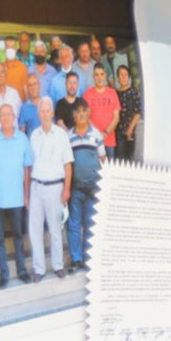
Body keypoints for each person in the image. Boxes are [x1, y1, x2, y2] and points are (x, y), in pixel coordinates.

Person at [0, 105, 34, 288]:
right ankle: (4, 273)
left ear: (13, 117)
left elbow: (28, 169)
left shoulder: (22, 139)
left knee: (18, 236)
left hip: (17, 197)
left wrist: (27, 196)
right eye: (2, 115)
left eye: (8, 114)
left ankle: (21, 270)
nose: (5, 118)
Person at [27, 103, 73, 279]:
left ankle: (58, 265)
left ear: (52, 112)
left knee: (55, 229)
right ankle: (39, 269)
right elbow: (30, 163)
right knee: (35, 230)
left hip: (56, 187)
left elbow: (68, 163)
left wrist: (66, 189)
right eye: (42, 110)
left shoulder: (61, 134)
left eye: (48, 110)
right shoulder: (34, 135)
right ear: (39, 113)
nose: (45, 113)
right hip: (37, 186)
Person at [65, 100, 105, 271]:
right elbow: (66, 163)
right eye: (77, 112)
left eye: (84, 111)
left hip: (93, 188)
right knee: (74, 224)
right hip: (76, 188)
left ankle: (89, 258)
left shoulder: (96, 134)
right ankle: (76, 258)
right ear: (74, 116)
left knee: (90, 223)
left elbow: (103, 160)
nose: (81, 114)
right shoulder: (68, 137)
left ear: (88, 113)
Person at [83, 65, 121, 155]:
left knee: (109, 168)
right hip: (93, 140)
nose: (99, 78)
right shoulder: (87, 94)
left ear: (105, 75)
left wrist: (106, 133)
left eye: (101, 74)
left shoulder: (112, 93)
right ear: (93, 77)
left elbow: (116, 117)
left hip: (109, 140)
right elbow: (85, 117)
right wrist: (98, 134)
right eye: (96, 75)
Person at [113, 65, 141, 160]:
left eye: (125, 74)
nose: (123, 77)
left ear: (129, 77)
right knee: (116, 160)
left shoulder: (133, 91)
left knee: (127, 162)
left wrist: (130, 129)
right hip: (114, 132)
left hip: (128, 132)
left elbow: (137, 112)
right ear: (117, 77)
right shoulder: (114, 93)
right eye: (121, 74)